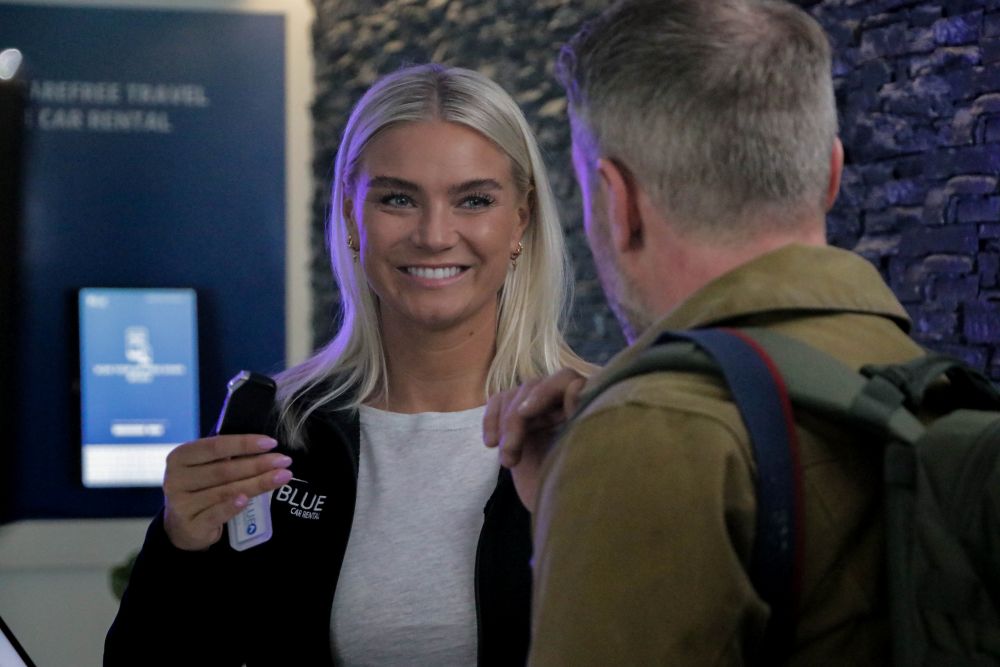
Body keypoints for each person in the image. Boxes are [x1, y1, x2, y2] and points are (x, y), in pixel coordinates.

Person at [105, 63, 591, 666]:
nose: (436, 235)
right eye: (397, 198)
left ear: (520, 219)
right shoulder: (281, 429)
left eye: (473, 200)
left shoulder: (595, 423)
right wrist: (181, 541)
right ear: (352, 216)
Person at [484, 0, 925, 664]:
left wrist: (607, 483)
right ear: (831, 174)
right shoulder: (925, 382)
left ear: (617, 201)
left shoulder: (648, 433)